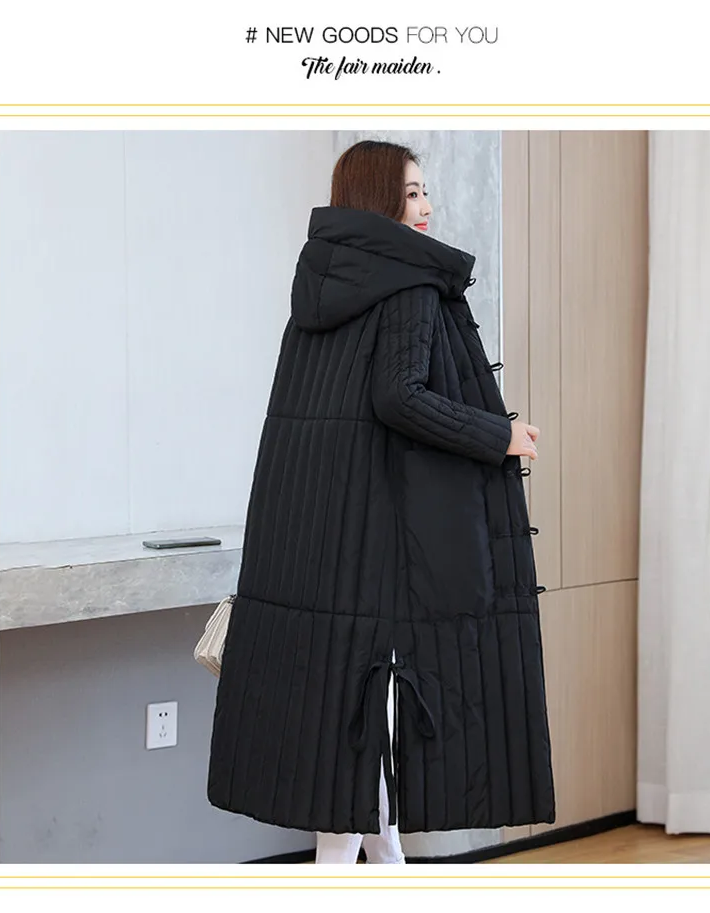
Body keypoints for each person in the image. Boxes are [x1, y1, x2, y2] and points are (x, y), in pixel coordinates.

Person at [207, 140, 555, 864]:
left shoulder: (323, 282)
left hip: (313, 537)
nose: (427, 206)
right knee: (369, 728)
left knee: (340, 723)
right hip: (381, 545)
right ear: (379, 197)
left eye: (425, 191)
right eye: (414, 192)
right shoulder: (407, 286)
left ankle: (385, 865)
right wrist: (499, 434)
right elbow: (400, 397)